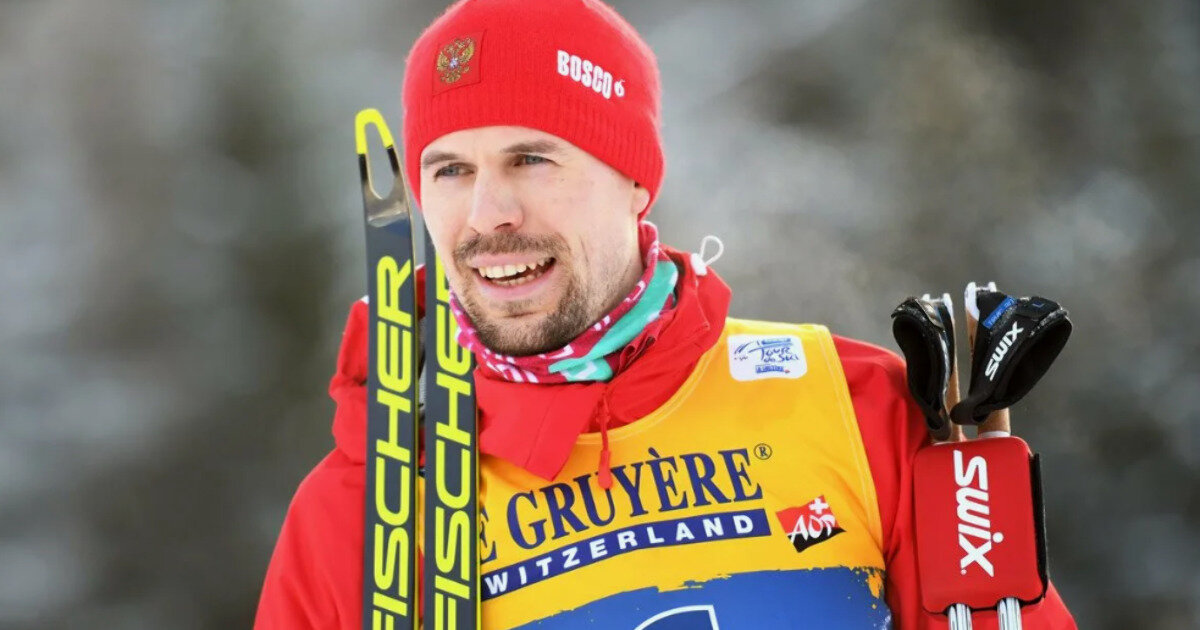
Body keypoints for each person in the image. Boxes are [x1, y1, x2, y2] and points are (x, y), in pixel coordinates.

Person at [255, 0, 1077, 627]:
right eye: (450, 170)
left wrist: (985, 529)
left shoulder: (857, 406)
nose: (487, 214)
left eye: (532, 158)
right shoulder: (363, 514)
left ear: (635, 180)